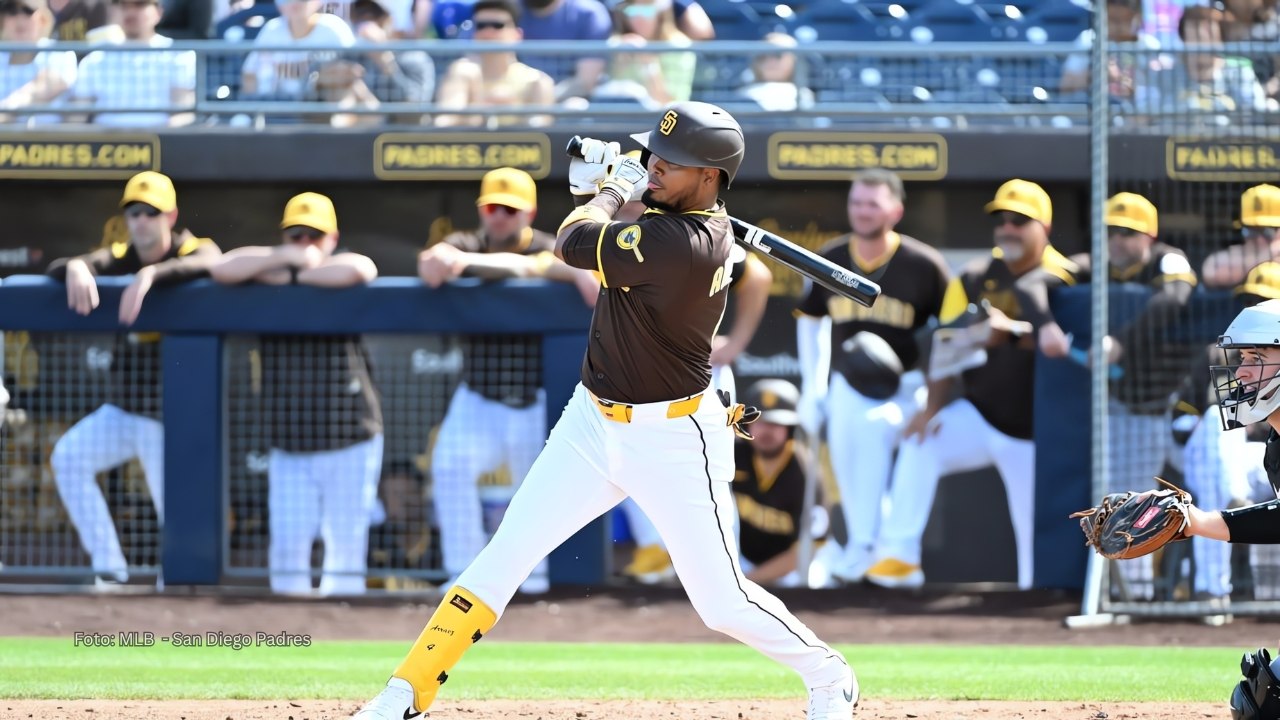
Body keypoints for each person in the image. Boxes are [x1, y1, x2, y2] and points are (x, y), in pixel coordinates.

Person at [353, 101, 858, 720]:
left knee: (719, 601)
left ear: (709, 176)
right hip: (592, 420)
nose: (653, 168)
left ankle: (830, 675)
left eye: (669, 164)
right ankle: (406, 692)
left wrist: (610, 189)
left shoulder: (688, 245)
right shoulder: (681, 222)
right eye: (652, 157)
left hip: (675, 437)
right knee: (503, 554)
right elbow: (638, 218)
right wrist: (617, 184)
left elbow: (570, 241)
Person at [864, 179, 1079, 591]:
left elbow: (1069, 346)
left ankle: (1037, 604)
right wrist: (932, 407)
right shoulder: (976, 276)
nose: (1008, 229)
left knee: (1034, 537)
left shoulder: (1068, 276)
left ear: (1044, 227)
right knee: (920, 439)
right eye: (1001, 221)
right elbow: (945, 346)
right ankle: (899, 559)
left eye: (1019, 221)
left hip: (1041, 431)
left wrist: (1011, 331)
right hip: (982, 414)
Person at [418, 167, 599, 595]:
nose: (499, 217)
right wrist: (450, 259)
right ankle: (464, 572)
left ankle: (529, 573)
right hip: (478, 394)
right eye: (493, 208)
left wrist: (562, 270)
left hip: (534, 398)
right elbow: (430, 268)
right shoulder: (468, 241)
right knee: (450, 467)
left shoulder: (545, 246)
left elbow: (585, 280)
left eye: (510, 210)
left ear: (529, 213)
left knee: (536, 489)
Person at [45, 171, 221, 585]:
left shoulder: (192, 247)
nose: (141, 221)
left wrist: (151, 276)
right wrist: (74, 267)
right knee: (68, 458)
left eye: (151, 213)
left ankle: (178, 589)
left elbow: (212, 261)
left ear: (171, 215)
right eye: (134, 212)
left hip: (170, 416)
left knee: (173, 510)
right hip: (124, 411)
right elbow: (69, 266)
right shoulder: (121, 254)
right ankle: (111, 569)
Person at [209, 192, 384, 596]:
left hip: (350, 436)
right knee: (288, 554)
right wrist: (282, 259)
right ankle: (294, 641)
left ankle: (342, 645)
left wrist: (295, 275)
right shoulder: (269, 270)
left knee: (345, 558)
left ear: (332, 238)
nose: (306, 243)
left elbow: (364, 268)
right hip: (291, 442)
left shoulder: (338, 269)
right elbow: (221, 269)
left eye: (314, 236)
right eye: (297, 235)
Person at [796, 168, 950, 584]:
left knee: (918, 453)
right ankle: (865, 546)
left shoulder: (923, 264)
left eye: (872, 204)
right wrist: (813, 387)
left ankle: (896, 553)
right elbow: (811, 322)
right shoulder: (829, 256)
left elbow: (950, 332)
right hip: (852, 382)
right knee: (852, 452)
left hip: (909, 382)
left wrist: (934, 396)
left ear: (896, 210)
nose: (862, 212)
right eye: (856, 203)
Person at [1099, 192, 1197, 600]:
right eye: (1111, 233)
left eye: (1128, 232)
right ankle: (1136, 594)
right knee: (1131, 495)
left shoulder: (1167, 259)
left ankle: (1223, 589)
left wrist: (1121, 341)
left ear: (1149, 235)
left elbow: (1175, 299)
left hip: (1180, 405)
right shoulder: (1101, 268)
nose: (1118, 240)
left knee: (1213, 491)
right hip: (1133, 409)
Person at [1178, 261, 1280, 606]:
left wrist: (1201, 521)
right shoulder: (1275, 442)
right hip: (1234, 462)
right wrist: (1196, 521)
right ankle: (1214, 591)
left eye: (1258, 356)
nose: (1243, 371)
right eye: (1243, 356)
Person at [731, 378, 827, 588]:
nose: (767, 431)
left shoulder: (806, 474)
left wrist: (747, 583)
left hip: (789, 569)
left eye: (776, 424)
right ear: (747, 424)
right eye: (760, 421)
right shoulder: (731, 455)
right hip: (740, 561)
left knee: (812, 578)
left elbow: (807, 549)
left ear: (790, 428)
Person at [70, 0, 196, 126]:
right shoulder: (96, 58)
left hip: (158, 140)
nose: (130, 12)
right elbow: (77, 115)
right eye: (123, 6)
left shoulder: (178, 55)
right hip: (106, 141)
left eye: (139, 5)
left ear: (158, 12)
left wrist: (165, 140)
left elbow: (183, 110)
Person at [433, 0, 555, 127]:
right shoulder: (462, 72)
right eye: (481, 25)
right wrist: (480, 111)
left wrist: (515, 110)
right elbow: (444, 123)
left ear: (517, 35)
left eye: (497, 25)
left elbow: (543, 133)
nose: (488, 32)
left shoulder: (536, 81)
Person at [594, 0, 695, 107]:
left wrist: (648, 63)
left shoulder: (679, 46)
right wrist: (618, 65)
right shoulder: (615, 44)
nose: (639, 18)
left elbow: (671, 105)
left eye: (647, 11)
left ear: (661, 13)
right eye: (632, 10)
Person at [0, 0, 77, 125]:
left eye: (28, 11)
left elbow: (39, 90)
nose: (20, 18)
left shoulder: (59, 54)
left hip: (46, 142)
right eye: (11, 11)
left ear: (42, 19)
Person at [1202, 184, 1280, 289]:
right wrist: (1267, 255)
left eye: (1267, 231)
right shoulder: (1232, 256)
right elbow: (1209, 272)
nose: (1258, 238)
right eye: (1251, 230)